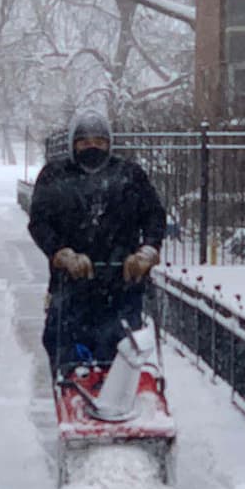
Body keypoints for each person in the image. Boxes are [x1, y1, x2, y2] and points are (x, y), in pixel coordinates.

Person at [28, 110, 166, 373]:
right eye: (84, 142)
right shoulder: (54, 175)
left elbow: (154, 216)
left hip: (122, 286)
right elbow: (39, 222)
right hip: (71, 287)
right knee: (66, 357)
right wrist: (61, 253)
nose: (93, 147)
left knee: (122, 359)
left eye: (100, 141)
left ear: (109, 143)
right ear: (73, 144)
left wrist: (147, 251)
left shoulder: (130, 176)